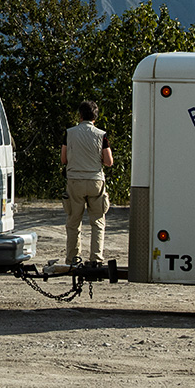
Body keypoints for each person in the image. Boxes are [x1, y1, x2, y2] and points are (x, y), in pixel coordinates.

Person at [61, 100, 113, 268]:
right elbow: (109, 161)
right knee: (97, 221)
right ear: (95, 117)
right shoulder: (101, 135)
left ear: (80, 115)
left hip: (75, 180)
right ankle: (96, 259)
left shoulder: (69, 133)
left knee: (74, 221)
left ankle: (72, 260)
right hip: (95, 181)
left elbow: (63, 159)